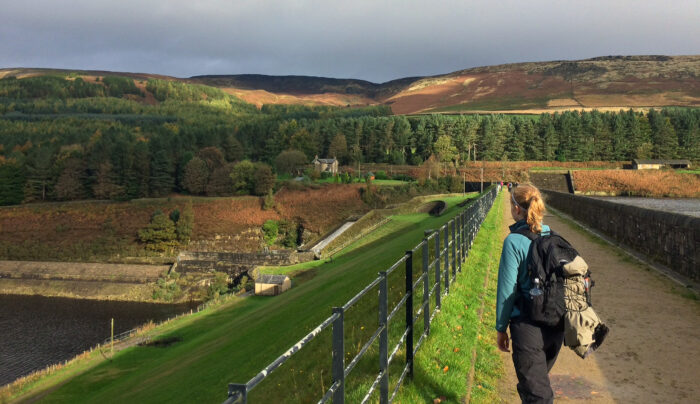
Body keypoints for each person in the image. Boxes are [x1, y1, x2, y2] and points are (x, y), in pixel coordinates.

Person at [495, 183, 564, 404]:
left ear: (516, 209)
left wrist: (500, 328)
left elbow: (507, 291)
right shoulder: (551, 236)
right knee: (535, 387)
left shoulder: (513, 242)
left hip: (527, 327)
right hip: (555, 326)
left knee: (537, 396)